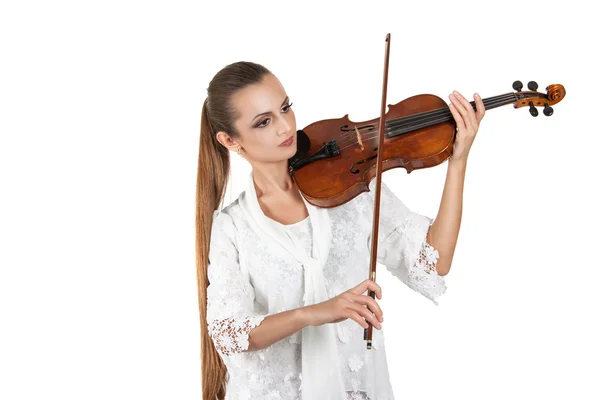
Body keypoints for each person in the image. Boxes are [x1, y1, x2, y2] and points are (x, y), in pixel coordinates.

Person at [196, 61, 485, 400]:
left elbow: (434, 263)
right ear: (229, 139)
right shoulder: (232, 226)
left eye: (285, 108)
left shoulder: (351, 184)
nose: (285, 127)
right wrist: (317, 312)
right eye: (264, 122)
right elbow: (227, 332)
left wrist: (458, 161)